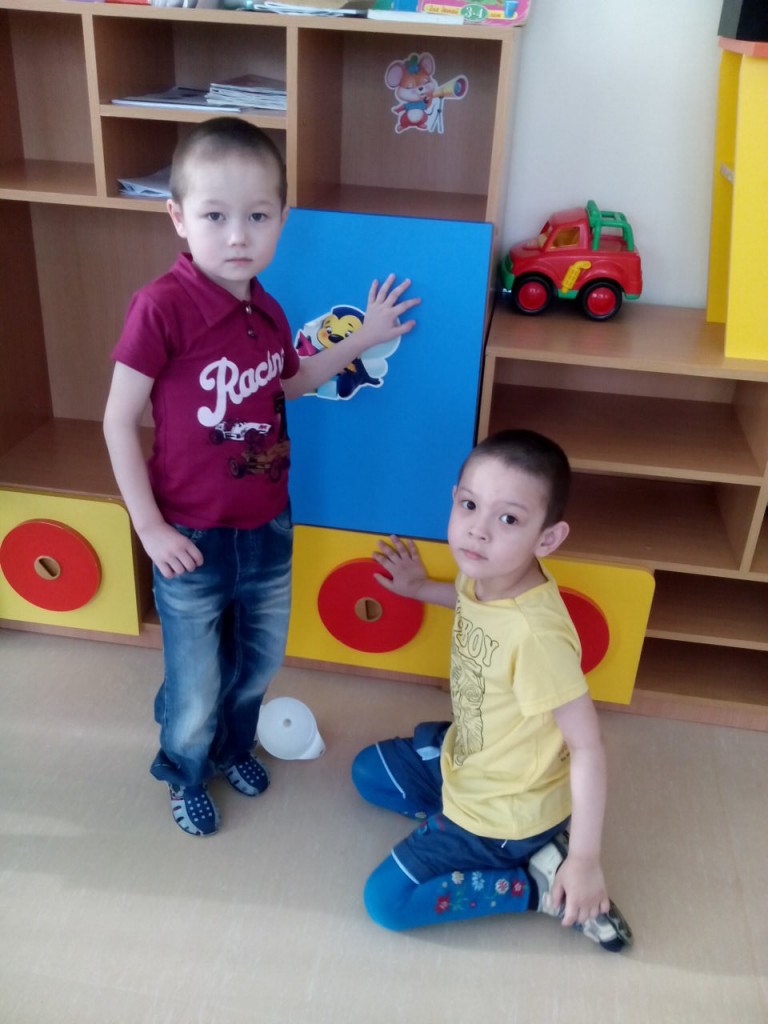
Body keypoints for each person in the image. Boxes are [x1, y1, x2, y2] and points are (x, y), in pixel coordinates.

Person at [103, 117, 419, 837]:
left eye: (257, 216)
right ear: (178, 217)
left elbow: (294, 382)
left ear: (282, 218)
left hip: (269, 526)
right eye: (215, 216)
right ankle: (185, 770)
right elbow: (118, 421)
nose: (237, 236)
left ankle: (233, 745)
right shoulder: (161, 307)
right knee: (195, 682)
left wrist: (364, 337)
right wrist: (148, 527)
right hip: (189, 535)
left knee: (257, 662)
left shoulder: (267, 310)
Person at [351, 429, 632, 951]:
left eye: (508, 519)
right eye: (469, 505)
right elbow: (469, 603)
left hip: (508, 808)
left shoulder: (537, 636)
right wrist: (418, 588)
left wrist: (585, 859)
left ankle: (537, 886)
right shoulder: (487, 572)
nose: (477, 530)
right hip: (473, 758)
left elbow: (588, 746)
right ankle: (479, 834)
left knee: (386, 902)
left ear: (547, 539)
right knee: (369, 772)